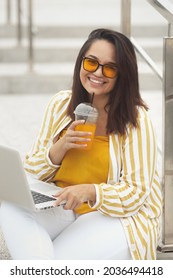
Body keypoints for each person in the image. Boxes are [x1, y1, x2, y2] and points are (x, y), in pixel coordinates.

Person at [0, 28, 162, 260]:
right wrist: (60, 148)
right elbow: (32, 171)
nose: (97, 72)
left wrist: (90, 191)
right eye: (91, 62)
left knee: (57, 265)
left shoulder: (136, 120)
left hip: (113, 215)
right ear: (80, 64)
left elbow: (136, 193)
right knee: (12, 208)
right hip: (63, 206)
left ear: (122, 74)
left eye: (110, 67)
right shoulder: (61, 104)